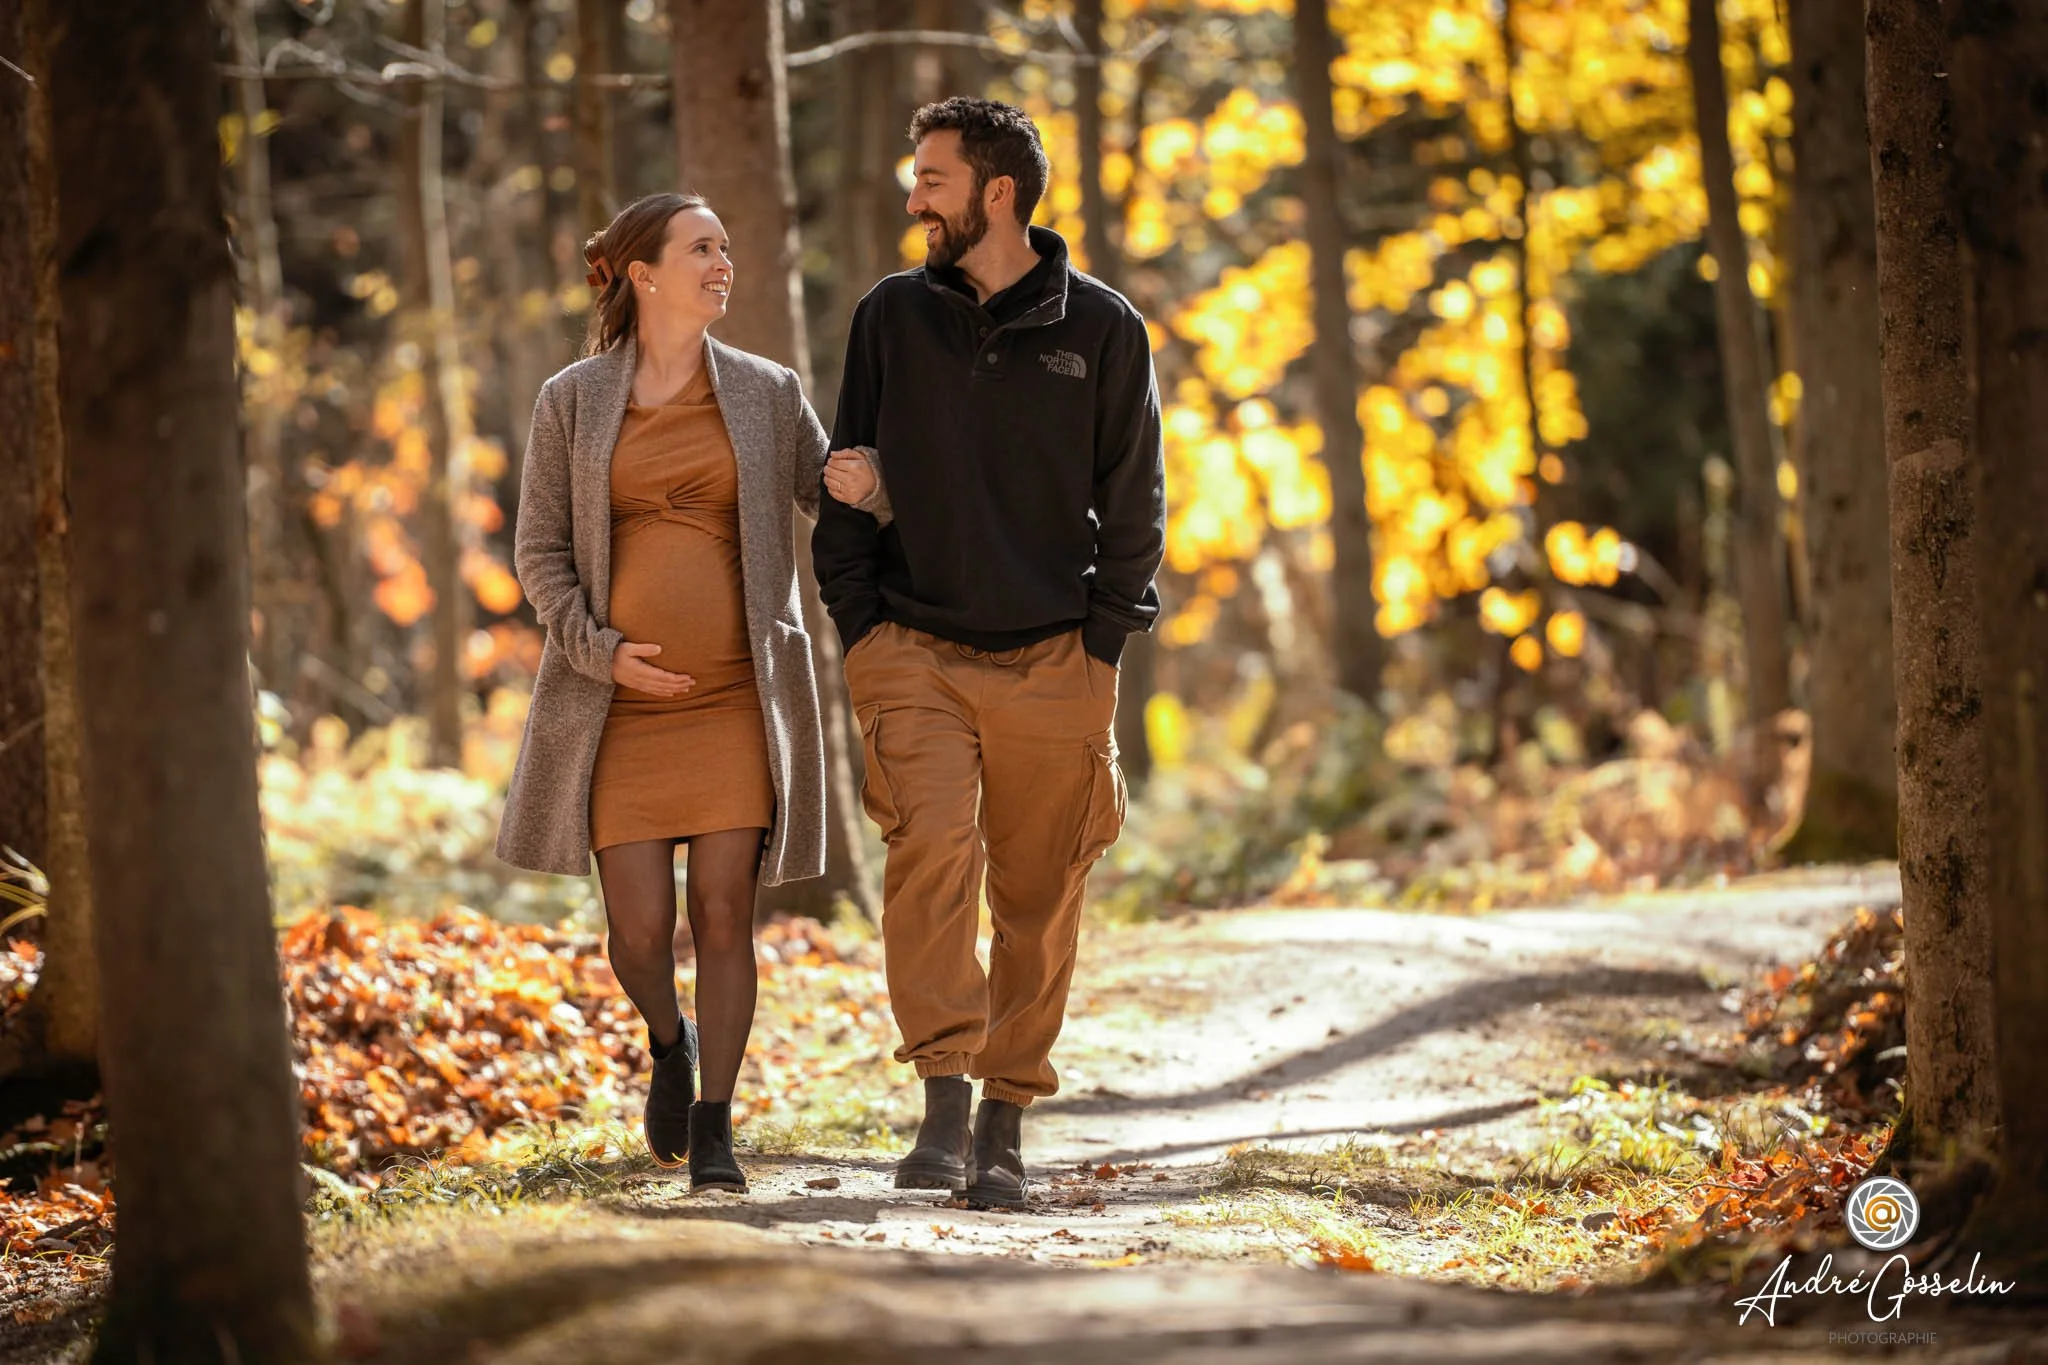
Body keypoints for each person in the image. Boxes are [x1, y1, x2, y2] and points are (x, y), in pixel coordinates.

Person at [812, 99, 1167, 1210]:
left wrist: (1103, 647)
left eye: (931, 179)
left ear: (994, 192)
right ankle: (942, 1105)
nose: (912, 199)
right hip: (911, 642)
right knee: (930, 858)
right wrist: (859, 622)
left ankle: (1006, 1121)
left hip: (1056, 653)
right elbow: (846, 466)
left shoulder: (1102, 329)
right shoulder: (888, 316)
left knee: (1038, 893)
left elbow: (1136, 502)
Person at [495, 192, 889, 1192]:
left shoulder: (763, 390)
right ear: (643, 274)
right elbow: (537, 550)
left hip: (734, 699)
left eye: (727, 246)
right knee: (635, 932)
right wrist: (596, 649)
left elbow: (828, 490)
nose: (722, 262)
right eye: (700, 248)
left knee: (722, 911)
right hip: (613, 702)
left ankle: (715, 1125)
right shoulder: (572, 400)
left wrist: (872, 487)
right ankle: (668, 1044)